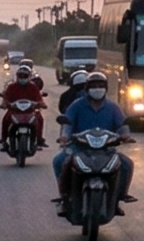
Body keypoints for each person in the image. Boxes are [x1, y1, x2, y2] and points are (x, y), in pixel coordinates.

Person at [54, 74, 135, 211]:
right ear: (87, 88)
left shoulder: (113, 107)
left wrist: (125, 135)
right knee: (59, 160)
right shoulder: (77, 105)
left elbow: (122, 125)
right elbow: (67, 123)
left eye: (101, 86)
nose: (97, 89)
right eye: (94, 86)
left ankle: (120, 196)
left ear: (106, 88)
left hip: (106, 148)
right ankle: (65, 197)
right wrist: (65, 137)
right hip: (79, 147)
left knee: (127, 164)